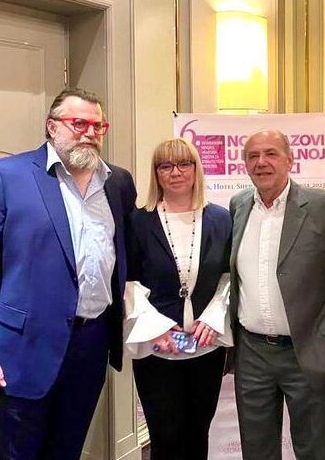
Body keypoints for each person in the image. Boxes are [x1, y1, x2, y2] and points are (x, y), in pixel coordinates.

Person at [0, 88, 137, 459]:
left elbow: (125, 259)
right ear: (52, 127)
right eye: (78, 123)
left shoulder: (118, 182)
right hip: (24, 349)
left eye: (98, 126)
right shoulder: (7, 177)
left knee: (67, 450)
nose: (89, 133)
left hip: (92, 344)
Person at [229, 129, 325, 460]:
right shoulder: (238, 206)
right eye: (253, 156)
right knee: (256, 451)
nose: (261, 162)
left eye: (271, 154)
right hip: (252, 354)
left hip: (310, 351)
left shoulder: (324, 207)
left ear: (290, 160)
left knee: (316, 450)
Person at [125, 137, 232, 460]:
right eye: (165, 166)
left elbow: (229, 277)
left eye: (184, 164)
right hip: (158, 346)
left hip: (205, 344)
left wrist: (212, 319)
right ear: (156, 173)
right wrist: (156, 327)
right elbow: (127, 280)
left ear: (196, 169)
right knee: (165, 436)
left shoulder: (220, 219)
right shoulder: (138, 221)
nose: (175, 172)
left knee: (198, 431)